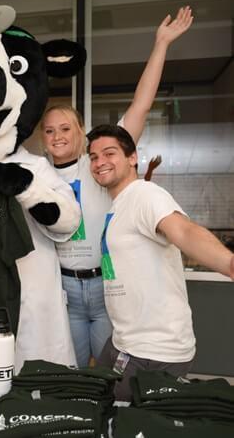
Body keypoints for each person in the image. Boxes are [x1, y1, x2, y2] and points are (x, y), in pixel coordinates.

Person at [40, 6, 193, 367]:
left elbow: (140, 106)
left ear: (80, 131)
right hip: (64, 290)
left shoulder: (97, 164)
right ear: (42, 139)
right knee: (72, 375)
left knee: (112, 376)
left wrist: (161, 45)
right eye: (49, 130)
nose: (58, 136)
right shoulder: (36, 177)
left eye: (65, 128)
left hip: (105, 287)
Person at [86, 124, 234, 400]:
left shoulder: (145, 195)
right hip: (124, 341)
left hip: (150, 352)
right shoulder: (120, 205)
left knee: (128, 423)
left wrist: (229, 263)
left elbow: (184, 231)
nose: (100, 162)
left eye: (109, 153)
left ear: (132, 158)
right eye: (94, 157)